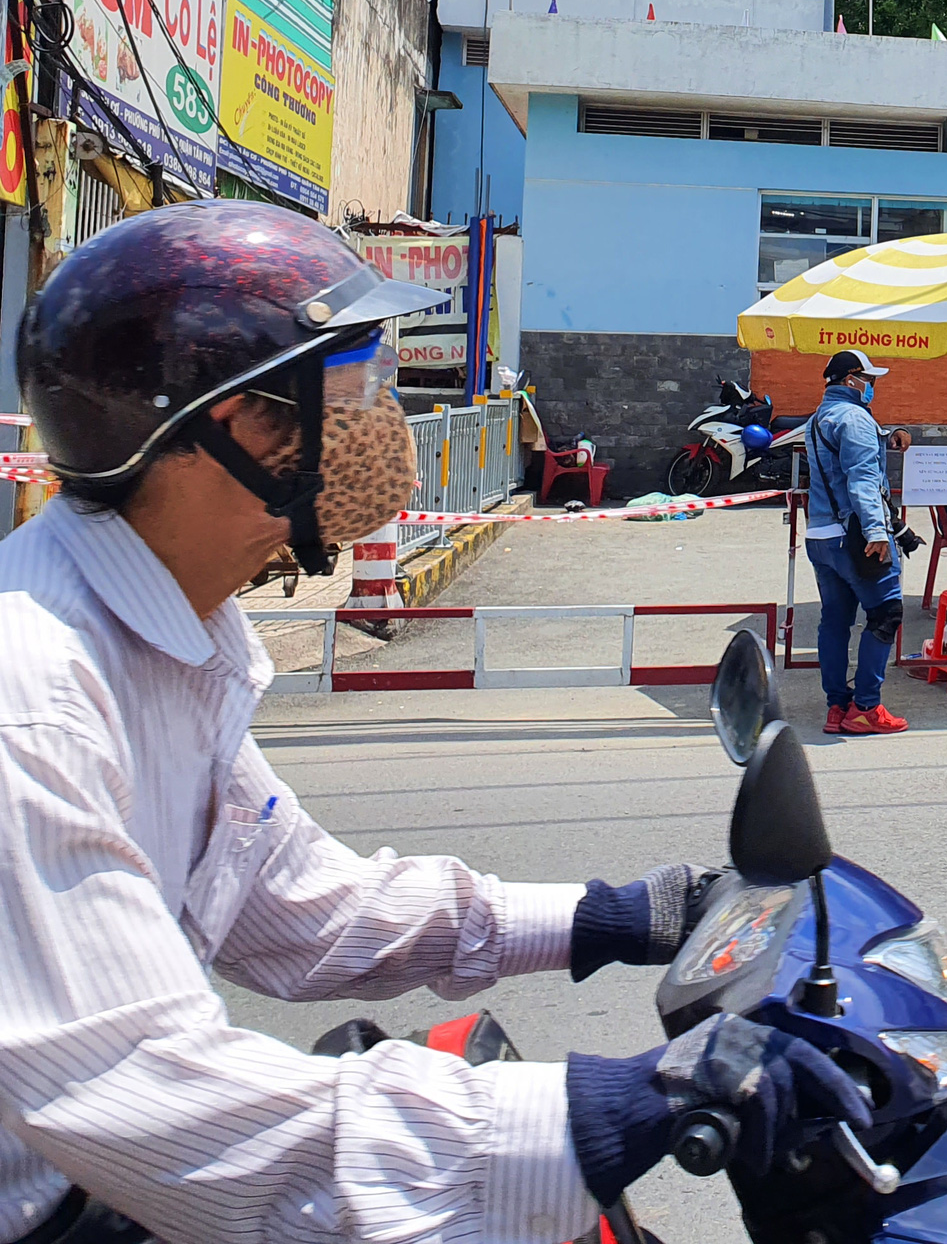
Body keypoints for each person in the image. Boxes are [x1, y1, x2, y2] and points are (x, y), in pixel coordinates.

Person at [0, 201, 869, 1244]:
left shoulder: (178, 634)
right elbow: (154, 1096)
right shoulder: (36, 698)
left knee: (462, 1062)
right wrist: (610, 1110)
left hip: (114, 1193)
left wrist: (622, 917)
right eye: (358, 392)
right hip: (67, 1215)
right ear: (239, 430)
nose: (388, 427)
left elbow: (301, 906)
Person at [806, 348, 920, 736]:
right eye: (868, 379)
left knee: (835, 622)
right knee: (886, 614)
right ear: (850, 380)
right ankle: (867, 707)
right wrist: (876, 531)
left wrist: (889, 435)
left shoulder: (818, 417)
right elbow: (862, 480)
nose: (872, 386)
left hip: (820, 535)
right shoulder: (855, 418)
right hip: (855, 535)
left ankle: (837, 706)